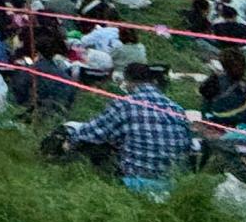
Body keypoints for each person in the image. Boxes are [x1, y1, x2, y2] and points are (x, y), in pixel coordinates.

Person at [64, 63, 191, 191]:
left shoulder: (125, 104)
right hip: (170, 182)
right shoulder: (176, 108)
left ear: (128, 81)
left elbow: (91, 133)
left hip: (134, 180)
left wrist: (69, 141)